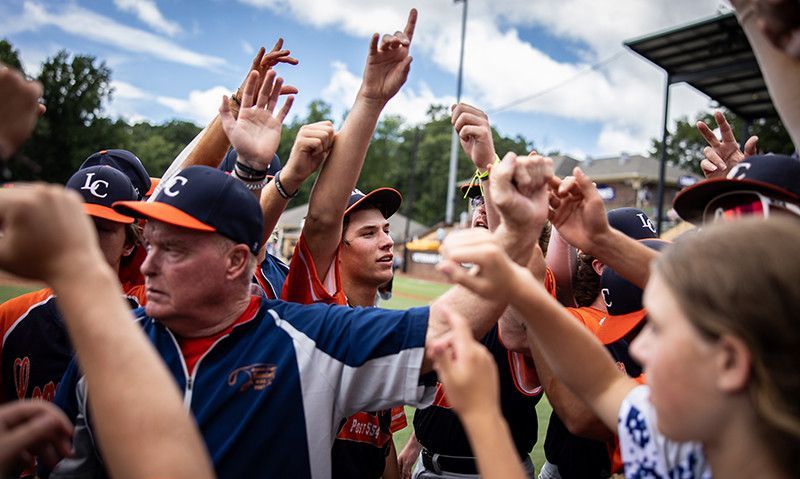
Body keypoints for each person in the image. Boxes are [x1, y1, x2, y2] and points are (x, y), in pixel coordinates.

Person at [52, 66, 552, 478]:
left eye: (175, 250)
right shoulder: (108, 348)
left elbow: (444, 328)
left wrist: (515, 232)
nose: (148, 262)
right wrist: (265, 166)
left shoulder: (309, 338)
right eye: (152, 244)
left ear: (236, 263)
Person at [439, 215, 800, 479]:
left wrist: (481, 413)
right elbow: (602, 385)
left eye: (659, 328)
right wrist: (525, 286)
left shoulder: (677, 445)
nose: (640, 348)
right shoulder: (680, 435)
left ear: (730, 362)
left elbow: (594, 396)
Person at [279, 10, 416, 478]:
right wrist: (372, 98)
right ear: (336, 250)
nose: (386, 243)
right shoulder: (312, 310)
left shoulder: (377, 328)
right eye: (367, 232)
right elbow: (320, 219)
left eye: (386, 232)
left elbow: (384, 449)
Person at [399, 106, 549, 479]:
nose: (481, 210)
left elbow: (511, 259)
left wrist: (486, 165)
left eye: (491, 198)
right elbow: (443, 390)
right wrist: (417, 444)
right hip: (428, 464)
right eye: (476, 200)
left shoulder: (534, 290)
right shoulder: (464, 297)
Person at [0, 166, 144, 405]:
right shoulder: (10, 319)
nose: (85, 236)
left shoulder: (151, 309)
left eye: (102, 228)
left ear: (128, 243)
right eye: (77, 223)